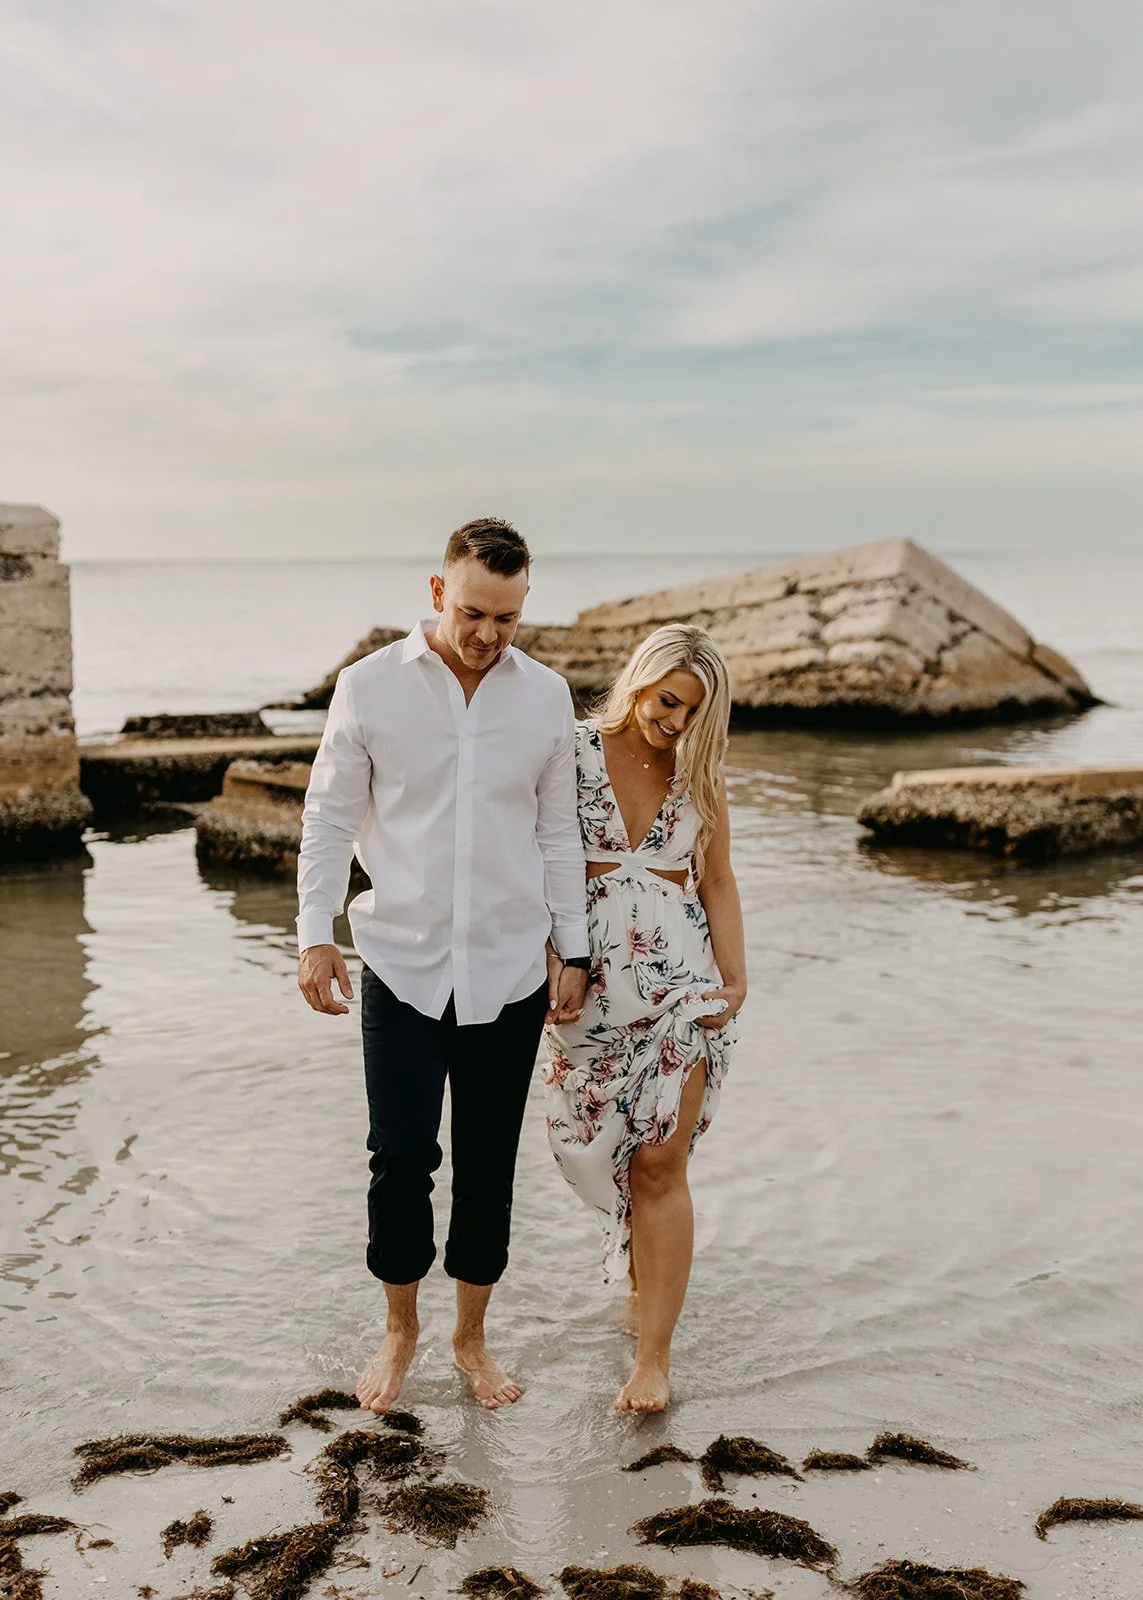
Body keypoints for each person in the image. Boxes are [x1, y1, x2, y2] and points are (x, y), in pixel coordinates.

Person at [296, 517, 589, 1413]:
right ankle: (399, 1331)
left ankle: (470, 1339)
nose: (488, 634)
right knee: (399, 1158)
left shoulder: (545, 698)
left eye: (507, 617)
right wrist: (314, 933)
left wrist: (573, 947)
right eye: (472, 613)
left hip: (510, 968)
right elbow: (328, 817)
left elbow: (557, 834)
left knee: (488, 1167)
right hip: (402, 962)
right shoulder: (369, 687)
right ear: (437, 592)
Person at [544, 624, 746, 1413]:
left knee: (661, 1163)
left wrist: (735, 979)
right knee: (599, 1154)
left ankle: (653, 1360)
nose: (676, 721)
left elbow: (716, 881)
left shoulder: (700, 776)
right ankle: (637, 1281)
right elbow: (529, 859)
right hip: (586, 989)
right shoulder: (568, 751)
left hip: (679, 990)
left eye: (693, 711)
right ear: (638, 681)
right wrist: (547, 959)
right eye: (668, 701)